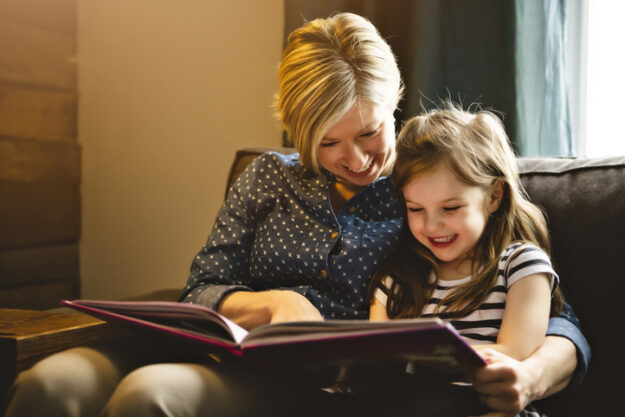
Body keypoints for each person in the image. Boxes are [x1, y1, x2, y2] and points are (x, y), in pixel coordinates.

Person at [4, 12, 588, 417]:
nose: (355, 160)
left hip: (310, 387)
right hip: (216, 347)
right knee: (52, 380)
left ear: (395, 102)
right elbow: (201, 288)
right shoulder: (268, 176)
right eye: (326, 143)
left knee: (150, 396)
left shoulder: (428, 190)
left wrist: (532, 375)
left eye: (369, 131)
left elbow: (552, 316)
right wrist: (269, 305)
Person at [369, 104, 565, 416]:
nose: (432, 226)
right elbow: (376, 363)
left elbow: (514, 353)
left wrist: (415, 360)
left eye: (450, 208)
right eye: (416, 209)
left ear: (494, 196)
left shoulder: (521, 266)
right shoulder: (397, 280)